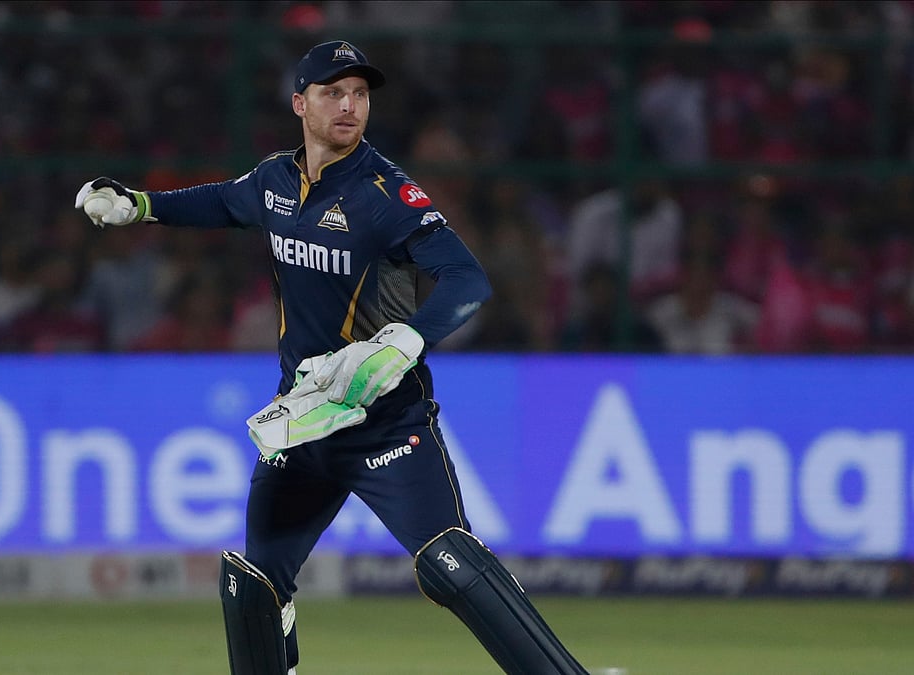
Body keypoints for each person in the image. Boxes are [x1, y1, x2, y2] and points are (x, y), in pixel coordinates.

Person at [75, 41, 587, 675]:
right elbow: (223, 200)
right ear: (300, 103)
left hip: (385, 423)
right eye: (332, 93)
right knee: (253, 586)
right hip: (307, 421)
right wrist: (141, 206)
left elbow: (466, 279)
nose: (349, 106)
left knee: (450, 564)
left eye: (361, 94)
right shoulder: (274, 182)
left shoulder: (385, 193)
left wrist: (407, 339)